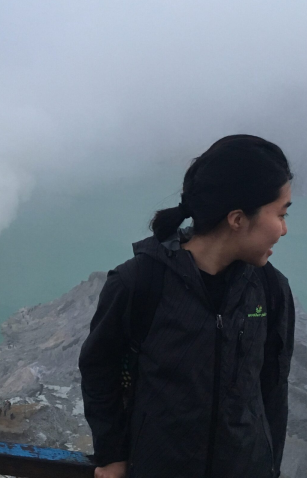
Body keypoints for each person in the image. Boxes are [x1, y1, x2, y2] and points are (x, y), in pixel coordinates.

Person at [79, 135, 295, 478]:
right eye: (281, 214)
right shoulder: (139, 282)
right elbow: (98, 368)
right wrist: (111, 454)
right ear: (237, 219)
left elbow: (273, 388)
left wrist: (270, 468)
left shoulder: (270, 290)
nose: (284, 229)